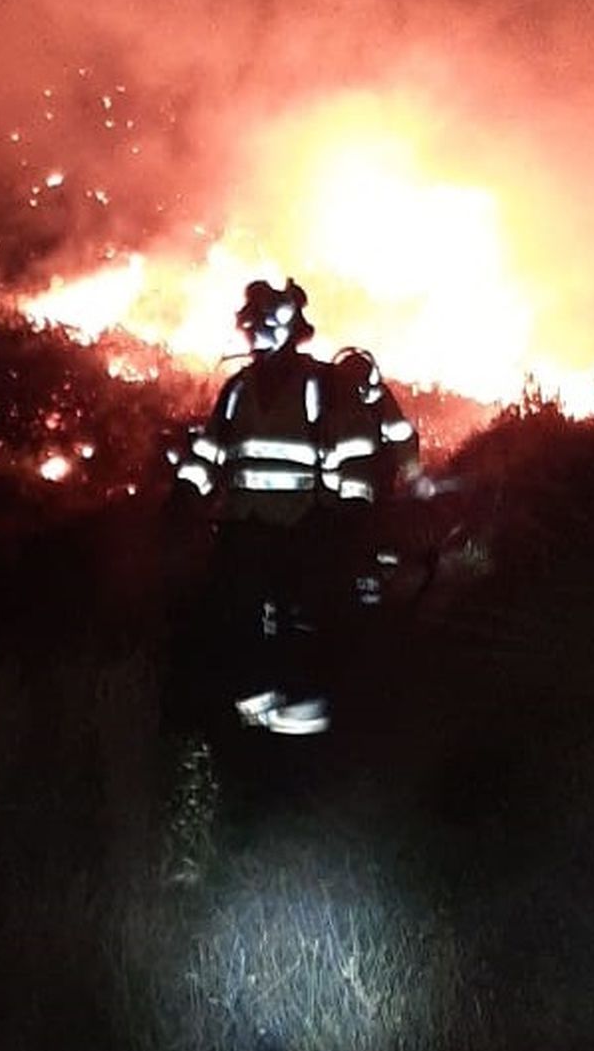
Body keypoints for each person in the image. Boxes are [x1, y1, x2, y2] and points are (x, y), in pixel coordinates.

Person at [173, 279, 421, 733]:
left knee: (301, 612)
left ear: (291, 329)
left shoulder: (320, 385)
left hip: (302, 523)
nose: (256, 336)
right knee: (239, 611)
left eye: (264, 325)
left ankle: (307, 699)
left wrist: (352, 515)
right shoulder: (236, 390)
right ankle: (255, 697)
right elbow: (211, 452)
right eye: (252, 327)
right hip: (243, 523)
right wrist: (186, 491)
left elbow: (354, 451)